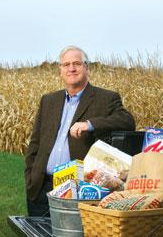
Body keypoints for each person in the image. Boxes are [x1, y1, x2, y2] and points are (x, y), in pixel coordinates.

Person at [24, 45, 135, 216]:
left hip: (79, 190)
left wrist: (90, 124)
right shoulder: (49, 100)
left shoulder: (106, 98)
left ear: (87, 68)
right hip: (41, 187)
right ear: (60, 70)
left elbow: (127, 121)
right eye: (66, 65)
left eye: (77, 63)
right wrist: (30, 176)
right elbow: (35, 142)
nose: (71, 68)